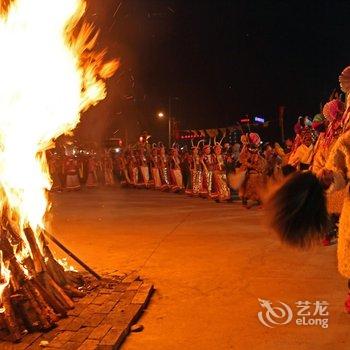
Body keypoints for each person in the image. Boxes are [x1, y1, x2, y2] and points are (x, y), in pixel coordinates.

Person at [239, 133, 267, 208]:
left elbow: (259, 158)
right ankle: (244, 200)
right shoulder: (245, 150)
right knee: (244, 183)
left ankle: (260, 200)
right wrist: (251, 165)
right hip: (247, 170)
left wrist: (259, 165)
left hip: (256, 170)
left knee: (260, 183)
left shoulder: (256, 149)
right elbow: (242, 159)